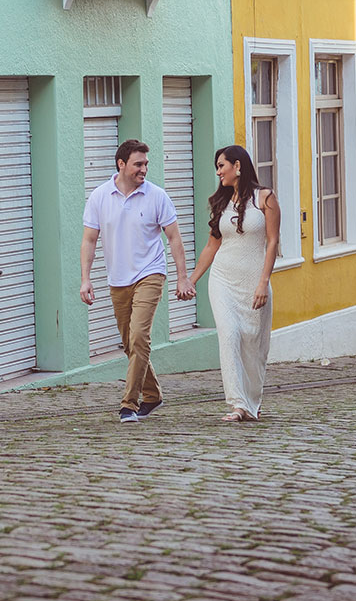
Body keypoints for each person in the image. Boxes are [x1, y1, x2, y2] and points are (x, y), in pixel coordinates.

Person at [81, 139, 195, 423]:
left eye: (146, 164)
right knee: (130, 344)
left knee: (139, 337)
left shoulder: (157, 196)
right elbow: (89, 240)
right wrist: (85, 279)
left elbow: (174, 238)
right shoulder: (99, 197)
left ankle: (129, 404)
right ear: (121, 164)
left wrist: (182, 278)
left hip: (150, 274)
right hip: (117, 279)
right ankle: (153, 395)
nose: (144, 169)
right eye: (138, 164)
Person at [190, 145, 280, 423]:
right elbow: (211, 246)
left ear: (237, 166)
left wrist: (263, 282)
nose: (218, 172)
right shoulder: (220, 202)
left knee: (254, 344)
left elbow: (273, 242)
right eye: (217, 167)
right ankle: (238, 404)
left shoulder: (265, 198)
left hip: (254, 280)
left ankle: (253, 401)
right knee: (229, 335)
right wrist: (190, 281)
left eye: (221, 166)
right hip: (223, 279)